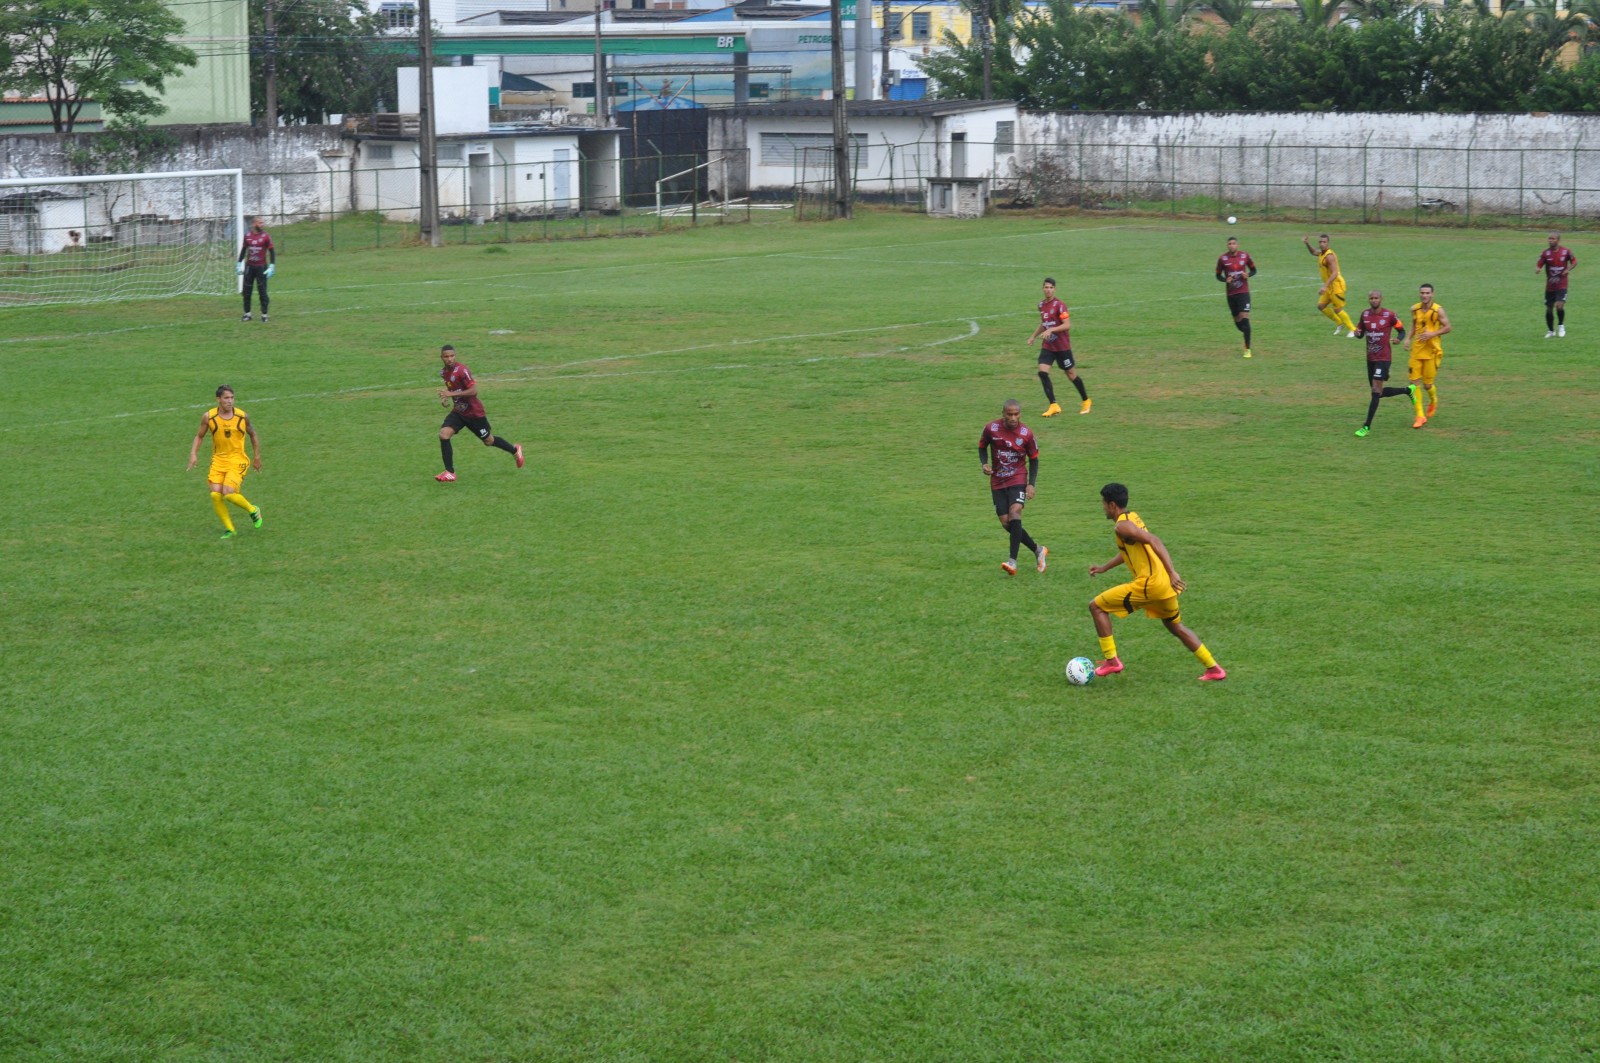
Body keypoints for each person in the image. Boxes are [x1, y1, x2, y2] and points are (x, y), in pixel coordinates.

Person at [1087, 483, 1225, 681]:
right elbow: (1129, 551)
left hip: (1150, 585)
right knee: (1175, 626)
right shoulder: (1132, 518)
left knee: (1096, 607)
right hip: (1164, 586)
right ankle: (1214, 668)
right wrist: (1104, 568)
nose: (1102, 507)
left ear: (1112, 505)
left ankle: (1112, 661)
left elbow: (1154, 540)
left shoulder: (1122, 525)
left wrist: (1172, 572)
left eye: (1103, 503)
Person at [435, 344, 524, 482]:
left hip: (474, 413)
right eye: (446, 356)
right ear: (441, 358)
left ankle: (514, 450)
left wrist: (450, 393)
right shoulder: (443, 373)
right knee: (443, 434)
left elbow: (474, 391)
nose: (449, 359)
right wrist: (446, 399)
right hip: (459, 411)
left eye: (452, 356)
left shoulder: (462, 370)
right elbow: (454, 390)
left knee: (489, 441)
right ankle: (450, 472)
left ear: (455, 356)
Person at [979, 399, 1047, 576]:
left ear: (1020, 414)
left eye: (1016, 414)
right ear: (1003, 414)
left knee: (1015, 513)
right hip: (997, 481)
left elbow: (1034, 460)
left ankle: (1012, 562)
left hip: (1018, 478)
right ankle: (1038, 550)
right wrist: (984, 464)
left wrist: (1031, 484)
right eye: (1009, 414)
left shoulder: (1027, 434)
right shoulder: (991, 429)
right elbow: (981, 447)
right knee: (1006, 522)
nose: (1013, 418)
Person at [186, 384, 262, 540]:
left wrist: (256, 457)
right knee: (215, 495)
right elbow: (199, 436)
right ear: (218, 399)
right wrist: (193, 454)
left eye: (232, 398)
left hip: (237, 459)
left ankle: (253, 509)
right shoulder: (209, 417)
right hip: (219, 460)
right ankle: (230, 529)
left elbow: (253, 435)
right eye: (226, 398)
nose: (230, 401)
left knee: (228, 494)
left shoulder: (242, 416)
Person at [1353, 290, 1415, 437]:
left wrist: (1399, 339)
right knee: (1378, 393)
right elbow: (1361, 333)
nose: (1374, 300)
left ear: (1381, 299)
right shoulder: (1365, 315)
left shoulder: (1389, 315)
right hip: (1370, 358)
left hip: (1384, 358)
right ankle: (1408, 390)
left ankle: (1366, 426)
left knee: (1375, 390)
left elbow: (1401, 331)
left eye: (1376, 298)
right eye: (1371, 298)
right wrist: (1357, 334)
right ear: (1369, 300)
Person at [1029, 277, 1090, 417]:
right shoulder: (1041, 305)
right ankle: (1053, 405)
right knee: (1042, 372)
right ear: (1042, 289)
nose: (1048, 290)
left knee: (1071, 375)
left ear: (1054, 289)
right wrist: (1032, 336)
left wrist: (1051, 330)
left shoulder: (1060, 305)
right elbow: (1044, 323)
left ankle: (1086, 401)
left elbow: (1067, 325)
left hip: (1062, 347)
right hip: (1048, 346)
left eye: (1051, 287)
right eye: (1046, 287)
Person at [1406, 284, 1452, 429]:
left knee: (1428, 385)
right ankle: (1420, 415)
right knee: (1413, 385)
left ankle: (1433, 399)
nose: (1424, 295)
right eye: (1422, 293)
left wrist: (1432, 334)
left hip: (1432, 351)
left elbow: (1448, 327)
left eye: (1427, 293)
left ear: (1432, 294)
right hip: (1417, 351)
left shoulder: (1438, 310)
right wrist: (1408, 338)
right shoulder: (1415, 309)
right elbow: (1414, 324)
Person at [1303, 233, 1358, 337]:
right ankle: (1339, 323)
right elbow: (1313, 252)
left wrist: (1325, 286)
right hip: (1329, 286)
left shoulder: (1329, 256)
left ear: (1328, 243)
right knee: (1321, 306)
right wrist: (1307, 243)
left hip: (1336, 286)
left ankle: (1353, 330)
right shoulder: (1321, 253)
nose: (1322, 244)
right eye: (1320, 242)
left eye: (1324, 242)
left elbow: (1335, 273)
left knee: (1338, 309)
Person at [1215, 236, 1256, 358]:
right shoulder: (1222, 258)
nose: (1232, 245)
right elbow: (1217, 275)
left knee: (1245, 318)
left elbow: (1254, 270)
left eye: (1234, 243)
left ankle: (1247, 349)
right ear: (1227, 246)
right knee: (1239, 324)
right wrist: (1225, 279)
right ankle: (1246, 334)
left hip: (1243, 292)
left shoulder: (1245, 256)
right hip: (1231, 294)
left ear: (1237, 245)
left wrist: (1247, 274)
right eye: (1229, 244)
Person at [1535, 231, 1576, 338]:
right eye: (1549, 238)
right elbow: (1540, 262)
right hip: (1550, 286)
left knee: (1559, 306)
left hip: (1562, 284)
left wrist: (1567, 269)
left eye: (1553, 239)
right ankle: (1550, 331)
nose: (1550, 240)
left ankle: (1561, 325)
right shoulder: (1545, 253)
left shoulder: (1566, 251)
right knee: (1549, 309)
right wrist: (1538, 268)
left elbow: (1574, 262)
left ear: (1558, 240)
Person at [237, 216, 275, 323]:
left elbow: (272, 251)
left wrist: (272, 265)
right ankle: (247, 314)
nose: (262, 224)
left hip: (261, 267)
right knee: (246, 291)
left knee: (262, 291)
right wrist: (239, 263)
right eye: (260, 222)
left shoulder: (266, 236)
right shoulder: (247, 236)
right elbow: (244, 250)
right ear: (254, 224)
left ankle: (264, 315)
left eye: (263, 222)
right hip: (249, 267)